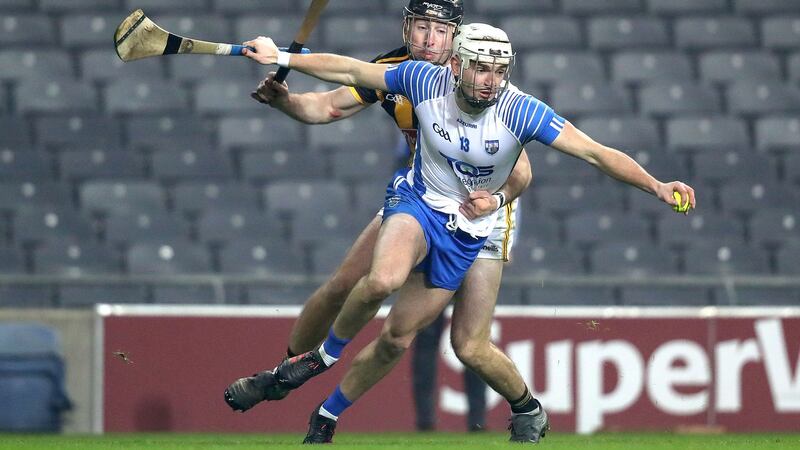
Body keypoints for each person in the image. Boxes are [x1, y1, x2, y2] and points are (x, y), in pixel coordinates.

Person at [240, 22, 696, 444]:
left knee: (442, 342)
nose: (489, 80)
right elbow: (351, 69)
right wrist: (282, 56)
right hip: (418, 202)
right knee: (381, 279)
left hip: (473, 229)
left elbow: (593, 154)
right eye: (480, 68)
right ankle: (318, 360)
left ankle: (332, 413)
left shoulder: (519, 111)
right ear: (456, 65)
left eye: (498, 71)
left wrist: (657, 185)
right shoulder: (420, 79)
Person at [224, 0, 522, 432]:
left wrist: (493, 202)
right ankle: (283, 375)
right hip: (422, 198)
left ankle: (524, 410)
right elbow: (328, 105)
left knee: (465, 342)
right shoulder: (396, 69)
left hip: (482, 214)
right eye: (421, 27)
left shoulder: (479, 72)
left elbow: (522, 170)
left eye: (440, 30)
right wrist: (286, 102)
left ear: (457, 37)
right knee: (344, 284)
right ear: (407, 27)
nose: (429, 40)